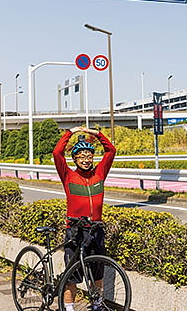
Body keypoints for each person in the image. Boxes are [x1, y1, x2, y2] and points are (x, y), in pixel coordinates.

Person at [53, 126, 116, 311]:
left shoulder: (99, 173)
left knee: (98, 272)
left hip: (96, 229)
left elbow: (111, 150)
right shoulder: (68, 175)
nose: (86, 160)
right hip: (75, 231)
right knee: (72, 275)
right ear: (75, 159)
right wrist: (70, 132)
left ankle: (97, 304)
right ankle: (69, 307)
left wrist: (95, 133)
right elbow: (57, 153)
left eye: (89, 156)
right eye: (81, 157)